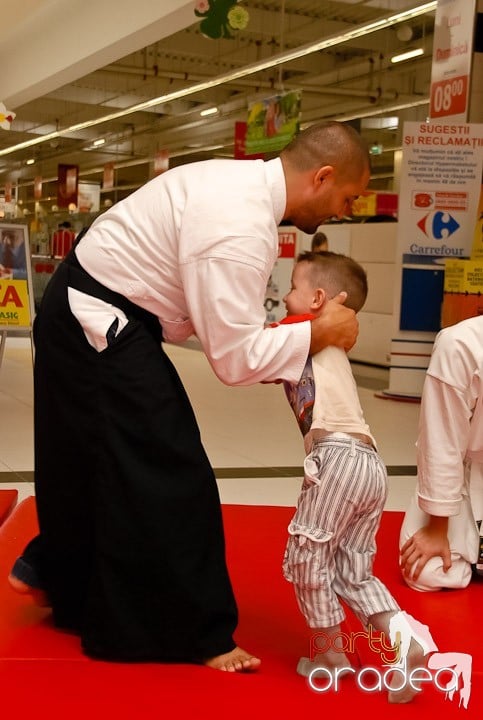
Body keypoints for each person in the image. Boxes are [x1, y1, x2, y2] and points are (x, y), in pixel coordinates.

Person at [8, 121, 369, 673]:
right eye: (346, 196)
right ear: (321, 177)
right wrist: (318, 333)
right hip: (97, 313)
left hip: (90, 305)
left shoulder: (238, 187)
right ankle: (194, 634)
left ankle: (59, 575)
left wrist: (300, 334)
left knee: (96, 453)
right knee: (168, 464)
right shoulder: (242, 226)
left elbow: (228, 328)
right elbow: (233, 359)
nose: (344, 210)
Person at [279, 251, 432, 703]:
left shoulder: (303, 333)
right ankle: (406, 642)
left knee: (307, 558)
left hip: (337, 459)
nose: (284, 296)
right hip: (369, 464)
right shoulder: (327, 343)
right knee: (351, 571)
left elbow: (252, 348)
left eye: (291, 286)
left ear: (318, 298)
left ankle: (330, 657)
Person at [399, 315, 483, 591]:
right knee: (427, 570)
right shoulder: (460, 343)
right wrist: (437, 526)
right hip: (469, 469)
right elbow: (441, 440)